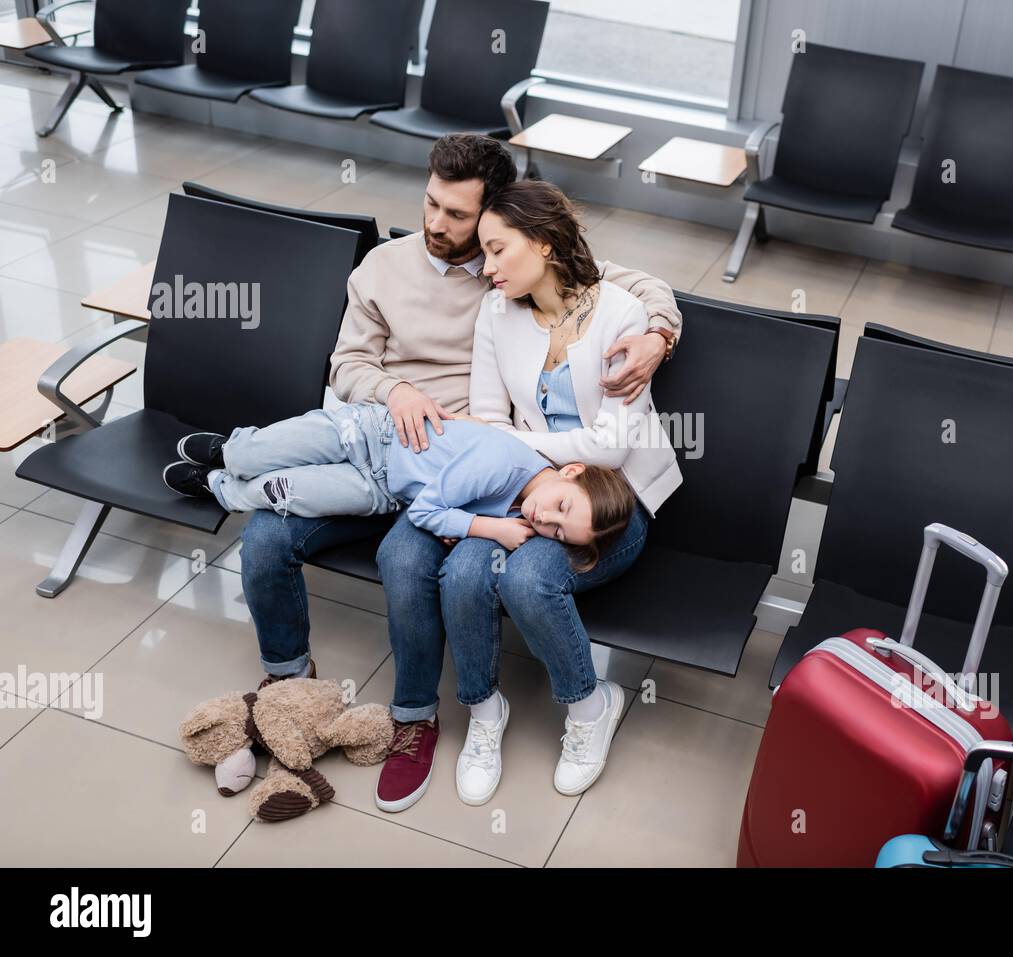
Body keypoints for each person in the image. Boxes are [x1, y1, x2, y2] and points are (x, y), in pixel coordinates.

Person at [237, 133, 682, 813]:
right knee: (266, 534)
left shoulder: (513, 271)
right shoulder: (399, 273)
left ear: (498, 221)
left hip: (504, 471)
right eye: (430, 204)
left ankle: (423, 714)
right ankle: (286, 691)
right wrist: (394, 393)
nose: (435, 224)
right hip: (401, 444)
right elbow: (351, 368)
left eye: (457, 215)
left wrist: (660, 332)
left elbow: (625, 289)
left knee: (419, 559)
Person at [440, 179, 682, 805]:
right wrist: (517, 453)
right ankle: (484, 713)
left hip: (609, 504)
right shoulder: (497, 312)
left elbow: (608, 450)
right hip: (519, 493)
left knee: (526, 580)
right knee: (465, 573)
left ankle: (588, 707)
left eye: (497, 250)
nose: (485, 266)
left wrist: (520, 443)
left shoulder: (621, 315)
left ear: (544, 244)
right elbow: (487, 422)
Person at [162, 412, 635, 570]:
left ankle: (220, 488)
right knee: (254, 456)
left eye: (556, 533)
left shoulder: (519, 505)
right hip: (370, 433)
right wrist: (486, 528)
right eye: (560, 507)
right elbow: (430, 511)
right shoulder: (504, 462)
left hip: (379, 488)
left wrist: (466, 526)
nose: (543, 521)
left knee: (281, 492)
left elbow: (431, 511)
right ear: (570, 470)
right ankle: (230, 454)